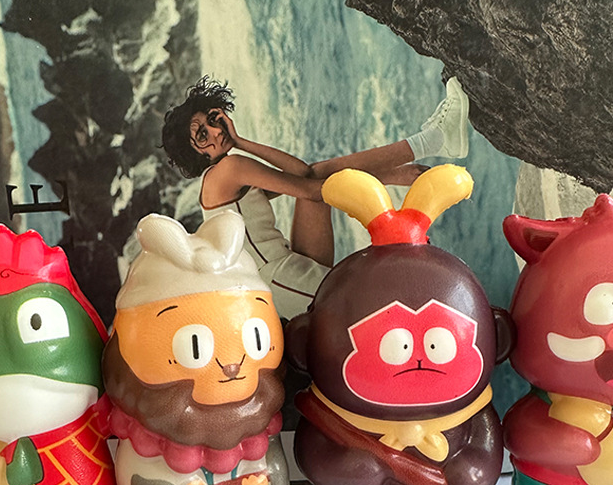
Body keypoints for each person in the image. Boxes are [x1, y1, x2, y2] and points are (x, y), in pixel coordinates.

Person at [162, 76, 469, 318]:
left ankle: (437, 139)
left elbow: (303, 173)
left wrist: (241, 142)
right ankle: (434, 140)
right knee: (373, 301)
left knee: (319, 175)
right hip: (280, 283)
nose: (216, 132)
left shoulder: (223, 177)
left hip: (288, 264)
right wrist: (389, 176)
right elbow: (311, 188)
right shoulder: (228, 170)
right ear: (196, 153)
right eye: (203, 135)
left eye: (213, 121)